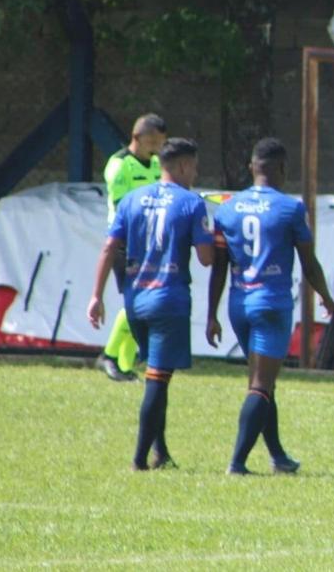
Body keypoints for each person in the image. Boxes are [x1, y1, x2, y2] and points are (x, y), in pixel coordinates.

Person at [208, 137, 334, 475]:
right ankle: (237, 463)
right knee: (260, 385)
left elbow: (218, 266)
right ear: (282, 169)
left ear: (251, 167)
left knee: (263, 381)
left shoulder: (227, 208)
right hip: (271, 305)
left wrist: (210, 314)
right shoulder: (290, 208)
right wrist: (325, 295)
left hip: (239, 304)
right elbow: (309, 263)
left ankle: (278, 456)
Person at [88, 138, 213, 471]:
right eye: (195, 166)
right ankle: (140, 459)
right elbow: (204, 258)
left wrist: (96, 296)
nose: (195, 173)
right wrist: (215, 240)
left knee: (158, 375)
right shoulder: (192, 203)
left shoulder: (132, 199)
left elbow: (108, 248)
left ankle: (161, 452)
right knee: (157, 380)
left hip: (136, 300)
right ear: (185, 165)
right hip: (168, 299)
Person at [96, 113, 168, 382]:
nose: (158, 148)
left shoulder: (157, 165)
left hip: (151, 243)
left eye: (161, 142)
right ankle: (110, 356)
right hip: (125, 242)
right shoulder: (119, 165)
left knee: (141, 303)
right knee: (136, 301)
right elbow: (123, 207)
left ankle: (124, 367)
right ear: (138, 137)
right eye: (154, 142)